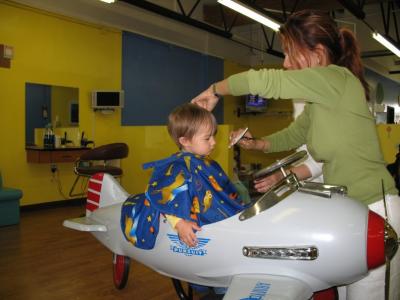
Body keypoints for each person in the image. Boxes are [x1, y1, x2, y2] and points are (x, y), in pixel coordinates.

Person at [191, 9, 400, 300]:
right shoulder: (319, 102)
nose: (286, 63)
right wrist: (257, 143)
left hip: (377, 211)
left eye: (290, 54)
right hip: (349, 215)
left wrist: (215, 89)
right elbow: (293, 135)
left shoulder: (337, 79)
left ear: (316, 54)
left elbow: (263, 81)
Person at [121, 103, 245, 249]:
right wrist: (179, 223)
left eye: (213, 136)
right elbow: (167, 195)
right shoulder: (177, 166)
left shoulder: (206, 162)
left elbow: (222, 190)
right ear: (185, 141)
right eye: (207, 138)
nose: (214, 142)